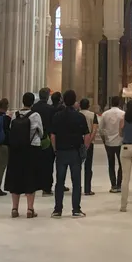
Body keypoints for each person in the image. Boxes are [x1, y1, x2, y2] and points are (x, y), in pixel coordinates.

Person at [50, 89, 91, 218]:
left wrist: (55, 149)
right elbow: (87, 135)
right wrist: (85, 149)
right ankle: (76, 209)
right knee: (76, 182)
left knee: (60, 182)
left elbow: (53, 135)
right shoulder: (79, 117)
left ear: (63, 100)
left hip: (61, 151)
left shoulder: (57, 116)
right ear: (74, 101)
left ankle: (57, 209)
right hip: (75, 151)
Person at [6, 92, 43, 218]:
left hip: (16, 150)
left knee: (16, 177)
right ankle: (30, 209)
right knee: (30, 177)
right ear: (33, 102)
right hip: (31, 149)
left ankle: (14, 208)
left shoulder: (15, 115)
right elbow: (41, 132)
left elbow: (11, 129)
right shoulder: (35, 115)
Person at [31, 88, 55, 196]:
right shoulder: (51, 109)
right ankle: (46, 188)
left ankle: (34, 185)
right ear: (48, 96)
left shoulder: (33, 108)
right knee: (48, 164)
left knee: (35, 163)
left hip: (34, 138)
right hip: (47, 138)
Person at [100, 95, 125, 192]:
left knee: (111, 164)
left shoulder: (105, 114)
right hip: (120, 141)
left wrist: (104, 139)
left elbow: (101, 129)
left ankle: (113, 185)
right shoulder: (123, 114)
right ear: (119, 103)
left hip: (109, 141)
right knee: (121, 164)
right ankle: (119, 184)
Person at [79, 98, 98, 195]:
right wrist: (89, 141)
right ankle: (87, 189)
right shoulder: (93, 115)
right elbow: (94, 130)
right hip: (89, 143)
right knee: (88, 166)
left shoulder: (77, 114)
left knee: (77, 166)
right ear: (88, 106)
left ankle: (77, 188)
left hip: (78, 142)